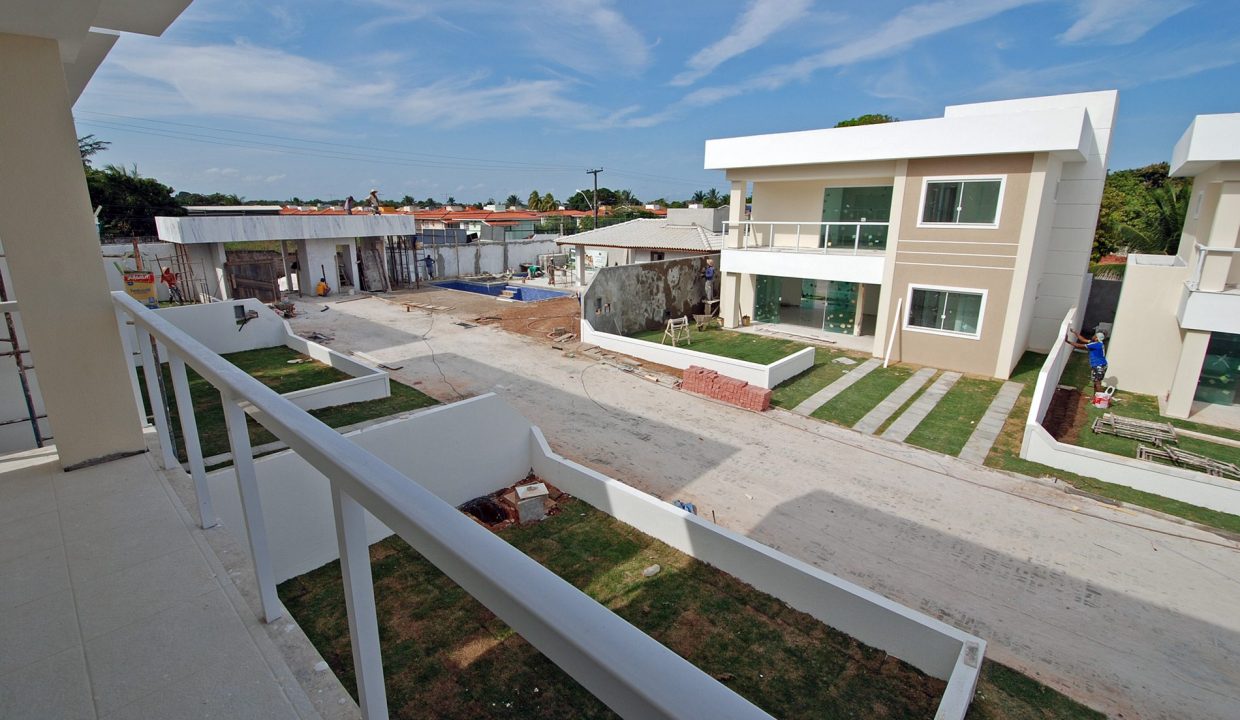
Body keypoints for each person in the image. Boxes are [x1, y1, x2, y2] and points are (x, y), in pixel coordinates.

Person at [1067, 329, 1108, 393]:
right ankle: (1096, 397)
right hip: (1100, 364)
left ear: (1097, 338)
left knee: (1097, 383)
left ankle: (1100, 398)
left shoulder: (1096, 345)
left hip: (1099, 365)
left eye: (1095, 336)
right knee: (1096, 381)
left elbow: (1079, 345)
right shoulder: (1098, 343)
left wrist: (1067, 341)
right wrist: (1074, 332)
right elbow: (1083, 340)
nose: (1093, 336)